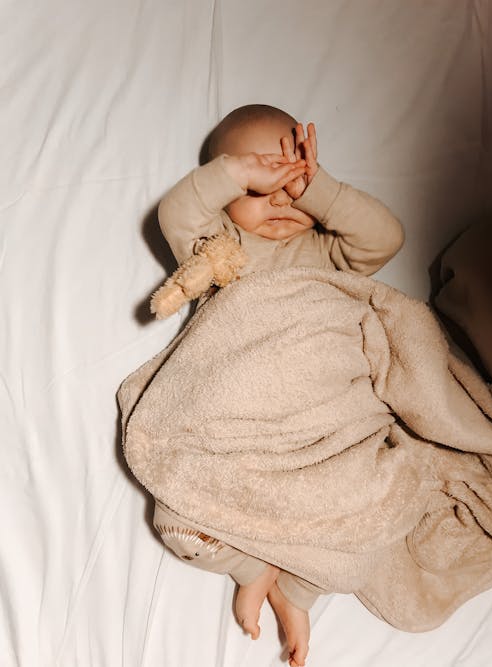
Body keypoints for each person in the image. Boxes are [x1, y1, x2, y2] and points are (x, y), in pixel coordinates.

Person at [153, 104, 404, 666]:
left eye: (291, 182)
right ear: (227, 195)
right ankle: (253, 566)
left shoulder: (328, 253)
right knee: (175, 521)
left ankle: (299, 589)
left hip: (325, 423)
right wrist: (236, 173)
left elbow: (386, 237)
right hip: (238, 424)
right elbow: (177, 212)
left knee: (368, 532)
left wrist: (322, 190)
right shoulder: (223, 253)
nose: (281, 200)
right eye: (258, 185)